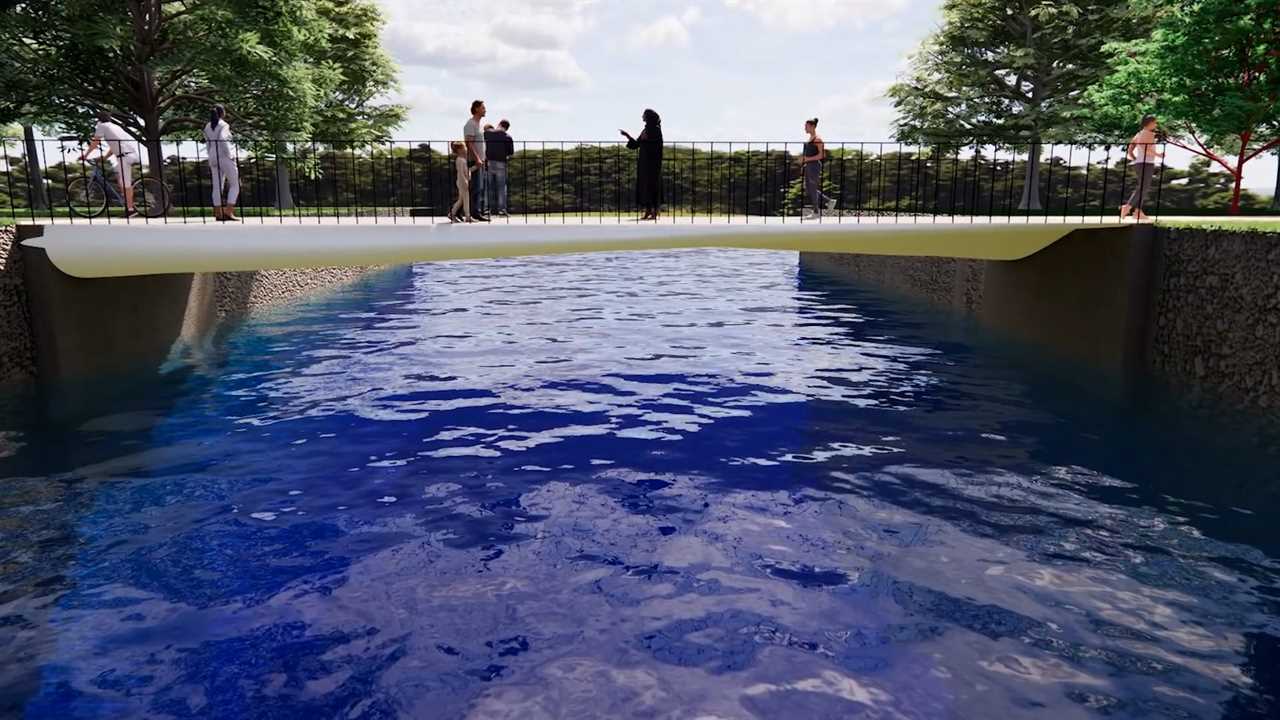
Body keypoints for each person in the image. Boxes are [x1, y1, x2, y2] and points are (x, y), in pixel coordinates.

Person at [80, 111, 141, 217]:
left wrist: (85, 155)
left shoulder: (101, 126)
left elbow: (95, 142)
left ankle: (130, 209)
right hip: (129, 154)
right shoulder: (115, 127)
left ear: (98, 120)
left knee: (125, 184)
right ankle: (126, 201)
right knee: (119, 175)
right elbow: (114, 146)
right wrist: (105, 157)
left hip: (124, 157)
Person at [621, 109, 664, 221]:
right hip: (644, 163)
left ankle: (654, 211)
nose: (642, 117)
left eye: (644, 115)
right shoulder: (645, 130)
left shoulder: (656, 129)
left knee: (652, 186)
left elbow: (656, 145)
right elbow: (636, 144)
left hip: (653, 163)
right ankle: (648, 211)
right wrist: (627, 136)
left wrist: (646, 141)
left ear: (648, 117)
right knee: (644, 187)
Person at [1122, 114, 1164, 221]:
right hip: (1146, 163)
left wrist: (1133, 157)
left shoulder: (1140, 133)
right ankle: (1127, 207)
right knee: (1143, 187)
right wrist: (1158, 155)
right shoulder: (1149, 134)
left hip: (1140, 163)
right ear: (1150, 123)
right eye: (1155, 122)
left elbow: (1131, 146)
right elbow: (1143, 147)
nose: (1156, 124)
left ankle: (1138, 212)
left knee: (1143, 187)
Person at [203, 104, 240, 222]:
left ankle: (218, 213)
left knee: (217, 186)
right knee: (235, 184)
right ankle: (228, 212)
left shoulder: (208, 126)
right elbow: (223, 140)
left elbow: (208, 144)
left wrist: (210, 155)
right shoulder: (224, 125)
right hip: (224, 156)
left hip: (213, 157)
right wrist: (230, 155)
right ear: (222, 113)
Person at [800, 118, 836, 220]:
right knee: (809, 189)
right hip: (809, 165)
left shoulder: (817, 139)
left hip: (814, 166)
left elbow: (822, 155)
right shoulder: (810, 138)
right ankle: (829, 201)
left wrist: (808, 159)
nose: (804, 128)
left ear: (812, 126)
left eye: (806, 126)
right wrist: (805, 163)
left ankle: (816, 212)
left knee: (812, 188)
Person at [463, 100, 490, 222]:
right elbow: (469, 143)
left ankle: (472, 212)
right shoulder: (471, 124)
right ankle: (474, 213)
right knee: (475, 188)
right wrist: (477, 158)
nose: (485, 110)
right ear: (476, 109)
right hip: (474, 161)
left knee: (478, 188)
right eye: (483, 108)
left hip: (480, 161)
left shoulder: (478, 124)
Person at [485, 119, 515, 217]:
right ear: (506, 128)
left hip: (489, 162)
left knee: (488, 187)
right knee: (501, 188)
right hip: (501, 163)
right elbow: (510, 152)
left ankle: (486, 209)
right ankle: (501, 210)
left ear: (499, 124)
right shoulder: (507, 137)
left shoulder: (488, 133)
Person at [448, 141, 474, 223]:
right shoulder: (460, 160)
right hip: (462, 182)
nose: (465, 149)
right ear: (459, 150)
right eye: (464, 147)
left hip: (463, 181)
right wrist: (465, 181)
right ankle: (467, 216)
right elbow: (460, 172)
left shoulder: (462, 159)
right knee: (465, 199)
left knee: (461, 200)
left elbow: (466, 171)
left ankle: (452, 214)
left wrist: (476, 167)